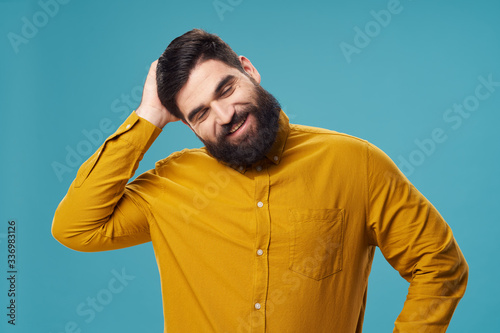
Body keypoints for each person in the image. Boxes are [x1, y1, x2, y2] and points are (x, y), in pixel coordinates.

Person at [52, 29, 468, 332]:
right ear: (188, 125)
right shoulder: (170, 184)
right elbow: (76, 227)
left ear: (248, 69)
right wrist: (147, 118)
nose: (224, 115)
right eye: (200, 113)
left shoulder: (356, 163)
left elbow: (439, 264)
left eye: (226, 88)